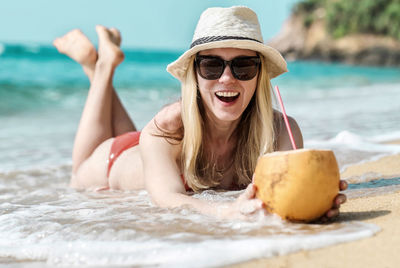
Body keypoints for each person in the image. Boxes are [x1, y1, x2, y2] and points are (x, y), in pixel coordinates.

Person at [54, 6, 347, 220]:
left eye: (243, 66)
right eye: (211, 65)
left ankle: (100, 61)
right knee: (77, 174)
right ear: (194, 74)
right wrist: (225, 211)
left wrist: (312, 202)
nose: (227, 79)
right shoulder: (166, 127)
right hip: (115, 160)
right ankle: (100, 66)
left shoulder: (282, 131)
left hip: (148, 151)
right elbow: (168, 199)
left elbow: (284, 197)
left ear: (260, 74)